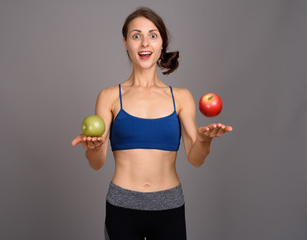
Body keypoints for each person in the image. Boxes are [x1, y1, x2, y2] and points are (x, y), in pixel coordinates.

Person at [71, 7, 233, 240]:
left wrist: (205, 141)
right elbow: (97, 164)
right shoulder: (108, 96)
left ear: (161, 44)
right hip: (121, 206)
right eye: (136, 36)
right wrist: (94, 148)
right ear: (126, 42)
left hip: (169, 207)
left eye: (153, 35)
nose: (145, 43)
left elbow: (195, 159)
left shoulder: (181, 97)